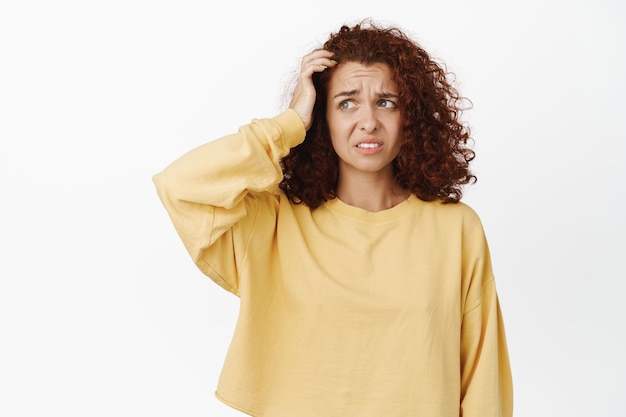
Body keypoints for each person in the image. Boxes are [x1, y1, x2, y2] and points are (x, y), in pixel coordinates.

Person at [153, 19, 513, 417]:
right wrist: (288, 124)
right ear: (322, 117)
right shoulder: (275, 224)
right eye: (346, 102)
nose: (368, 121)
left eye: (386, 102)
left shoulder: (455, 228)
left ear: (410, 116)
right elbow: (180, 186)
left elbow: (483, 382)